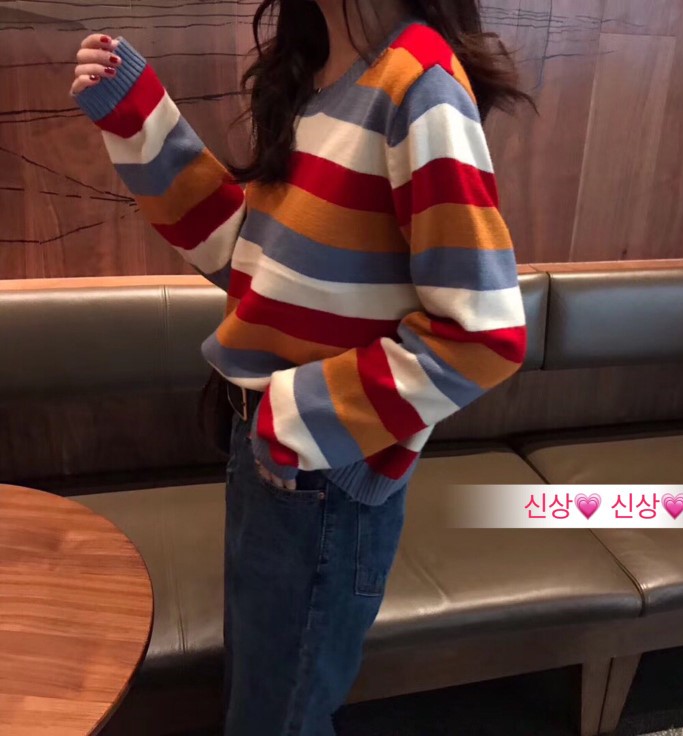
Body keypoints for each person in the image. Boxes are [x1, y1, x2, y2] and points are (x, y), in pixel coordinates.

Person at [70, 1, 529, 733]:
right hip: (275, 456)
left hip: (321, 475)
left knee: (274, 718)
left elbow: (484, 333)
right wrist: (140, 117)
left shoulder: (419, 84)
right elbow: (245, 258)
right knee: (262, 702)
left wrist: (296, 419)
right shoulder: (317, 79)